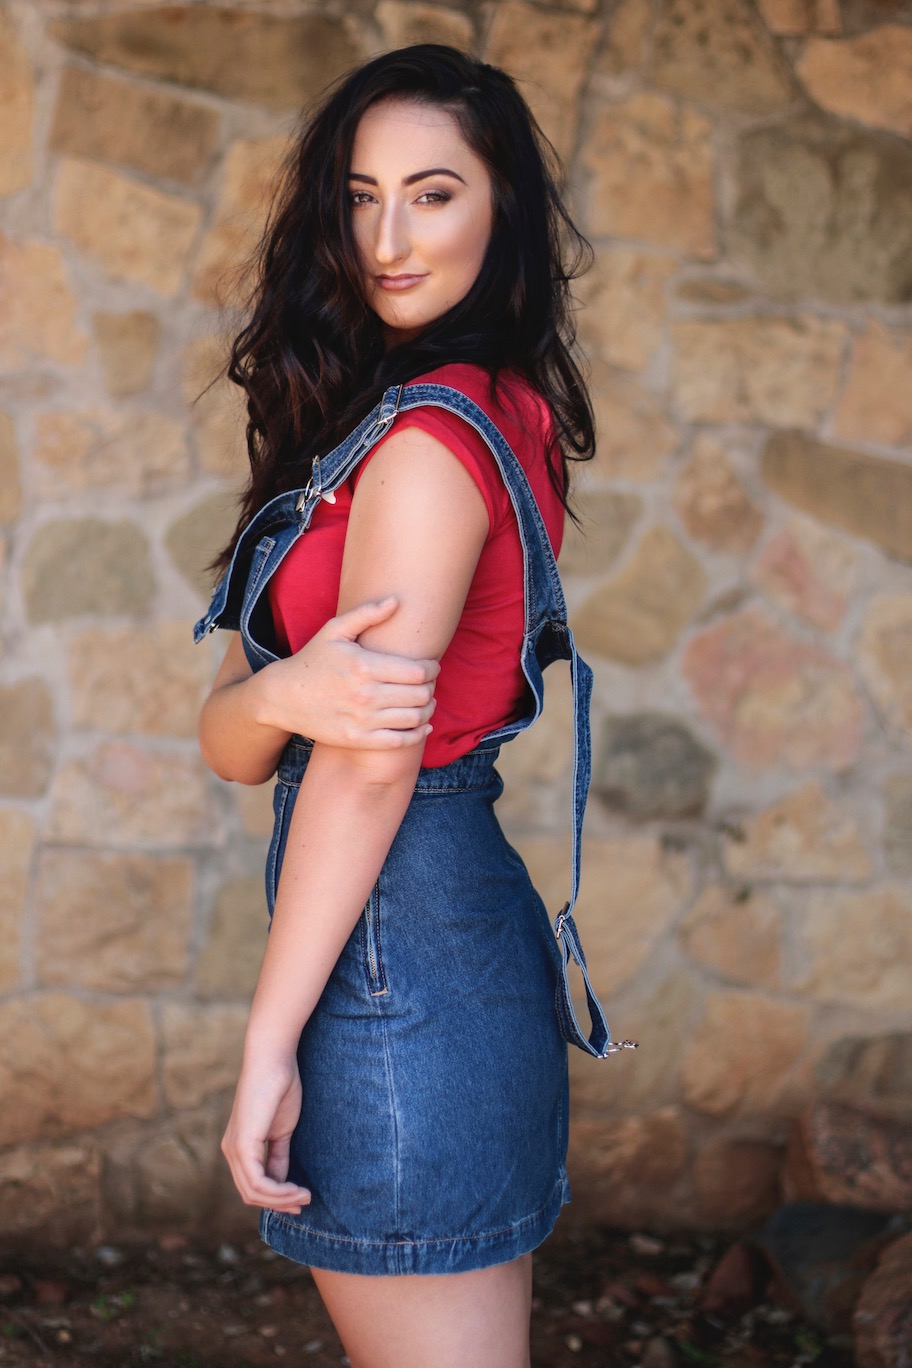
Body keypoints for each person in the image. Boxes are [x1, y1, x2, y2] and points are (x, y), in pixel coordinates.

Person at [196, 44, 624, 1368]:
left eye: (433, 194)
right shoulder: (425, 415)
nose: (388, 239)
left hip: (397, 952)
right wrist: (288, 687)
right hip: (438, 936)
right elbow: (231, 736)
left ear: (503, 209)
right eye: (360, 196)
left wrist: (266, 1047)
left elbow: (367, 765)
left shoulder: (432, 443)